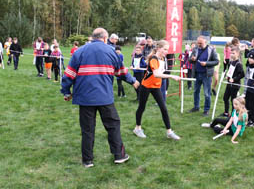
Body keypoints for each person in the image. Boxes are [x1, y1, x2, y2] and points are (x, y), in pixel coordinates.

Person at [61, 27, 139, 167]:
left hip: (85, 98)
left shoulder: (79, 52)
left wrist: (66, 92)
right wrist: (133, 81)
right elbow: (121, 72)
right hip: (105, 98)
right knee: (113, 126)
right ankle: (119, 155)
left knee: (87, 130)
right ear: (105, 38)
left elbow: (68, 75)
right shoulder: (111, 52)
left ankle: (87, 160)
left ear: (93, 37)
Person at [133, 40, 181, 140]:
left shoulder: (162, 58)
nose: (166, 52)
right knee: (141, 107)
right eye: (165, 49)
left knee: (164, 108)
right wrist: (171, 76)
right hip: (146, 86)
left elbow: (160, 71)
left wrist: (165, 71)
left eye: (167, 50)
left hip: (156, 86)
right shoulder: (153, 58)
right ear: (159, 48)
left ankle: (169, 132)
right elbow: (156, 74)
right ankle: (137, 128)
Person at [188, 36, 219, 116]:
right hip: (197, 74)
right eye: (198, 42)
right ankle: (196, 107)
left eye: (200, 43)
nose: (199, 44)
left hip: (206, 75)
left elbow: (216, 61)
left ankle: (206, 110)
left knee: (207, 93)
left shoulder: (211, 50)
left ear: (205, 42)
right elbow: (189, 59)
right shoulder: (195, 49)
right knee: (196, 91)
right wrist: (192, 59)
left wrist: (206, 63)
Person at [221, 47, 245, 117]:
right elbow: (230, 71)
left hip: (235, 85)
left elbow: (242, 74)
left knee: (233, 100)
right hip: (229, 84)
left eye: (233, 53)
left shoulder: (239, 64)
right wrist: (228, 76)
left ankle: (233, 115)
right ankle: (226, 112)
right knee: (225, 98)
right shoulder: (231, 62)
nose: (231, 54)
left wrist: (234, 79)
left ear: (237, 54)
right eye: (231, 53)